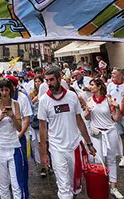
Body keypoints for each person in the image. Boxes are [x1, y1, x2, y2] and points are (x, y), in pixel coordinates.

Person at [38, 66, 96, 199]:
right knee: (64, 187)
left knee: (75, 186)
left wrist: (89, 143)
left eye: (52, 80)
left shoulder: (71, 96)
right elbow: (42, 127)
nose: (49, 84)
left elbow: (79, 121)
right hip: (56, 148)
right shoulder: (44, 101)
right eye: (47, 81)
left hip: (74, 147)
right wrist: (44, 153)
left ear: (59, 79)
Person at [85, 78, 123, 198]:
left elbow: (117, 119)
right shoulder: (90, 100)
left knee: (111, 159)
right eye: (90, 85)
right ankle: (101, 184)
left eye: (92, 85)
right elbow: (87, 118)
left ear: (99, 86)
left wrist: (116, 107)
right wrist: (87, 112)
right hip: (96, 133)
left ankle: (113, 186)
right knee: (99, 159)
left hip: (110, 131)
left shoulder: (108, 99)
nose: (90, 87)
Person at [0, 77, 24, 199]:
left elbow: (19, 128)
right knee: (3, 184)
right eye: (2, 90)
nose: (4, 93)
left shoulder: (16, 104)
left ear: (10, 91)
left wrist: (12, 116)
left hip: (13, 147)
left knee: (16, 184)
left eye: (6, 90)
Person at [106, 68, 124, 168]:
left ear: (120, 75)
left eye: (114, 73)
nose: (112, 75)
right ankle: (123, 157)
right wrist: (110, 102)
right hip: (115, 114)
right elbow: (108, 96)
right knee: (120, 136)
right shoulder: (110, 85)